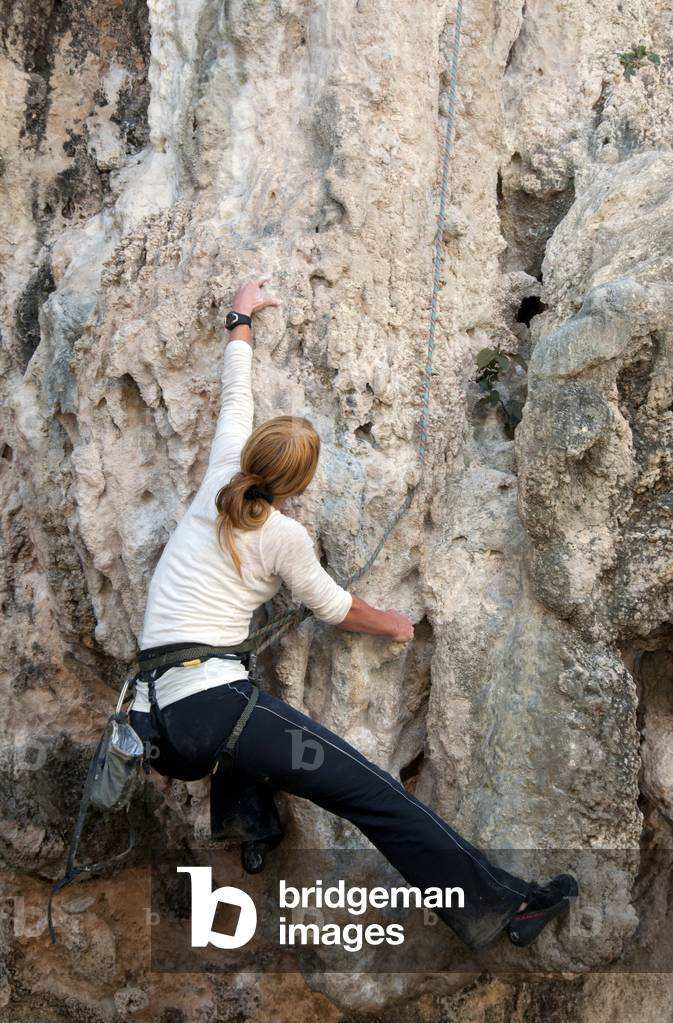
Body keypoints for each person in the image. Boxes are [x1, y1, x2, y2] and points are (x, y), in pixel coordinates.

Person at [129, 273, 578, 952]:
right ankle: (504, 907)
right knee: (370, 792)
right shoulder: (283, 535)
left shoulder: (219, 477)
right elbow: (335, 607)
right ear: (301, 484)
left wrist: (239, 317)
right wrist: (394, 623)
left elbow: (235, 396)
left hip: (152, 724)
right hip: (211, 710)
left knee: (250, 707)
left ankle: (250, 823)